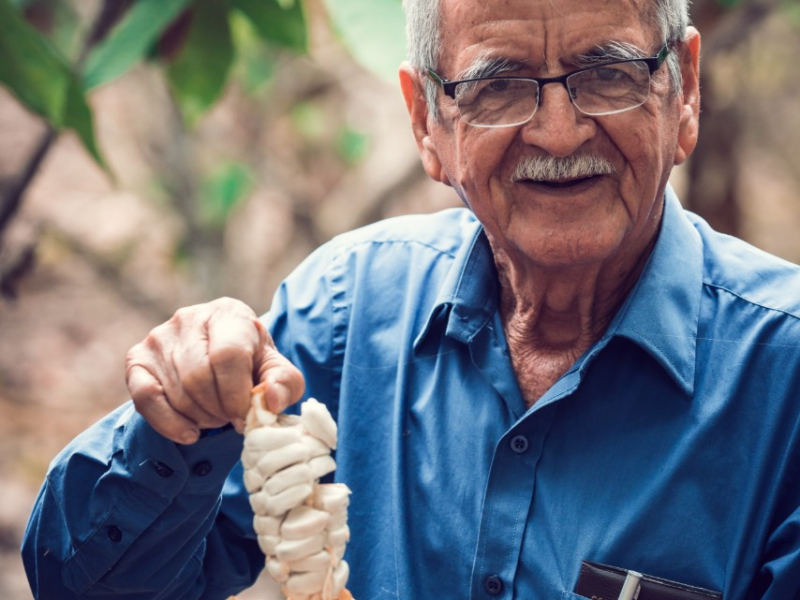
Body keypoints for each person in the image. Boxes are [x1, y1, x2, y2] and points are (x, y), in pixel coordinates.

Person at [21, 0, 800, 598]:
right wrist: (182, 415)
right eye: (498, 86)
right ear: (429, 122)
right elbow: (77, 579)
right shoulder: (348, 310)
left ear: (685, 90)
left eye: (610, 74)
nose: (560, 134)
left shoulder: (784, 376)